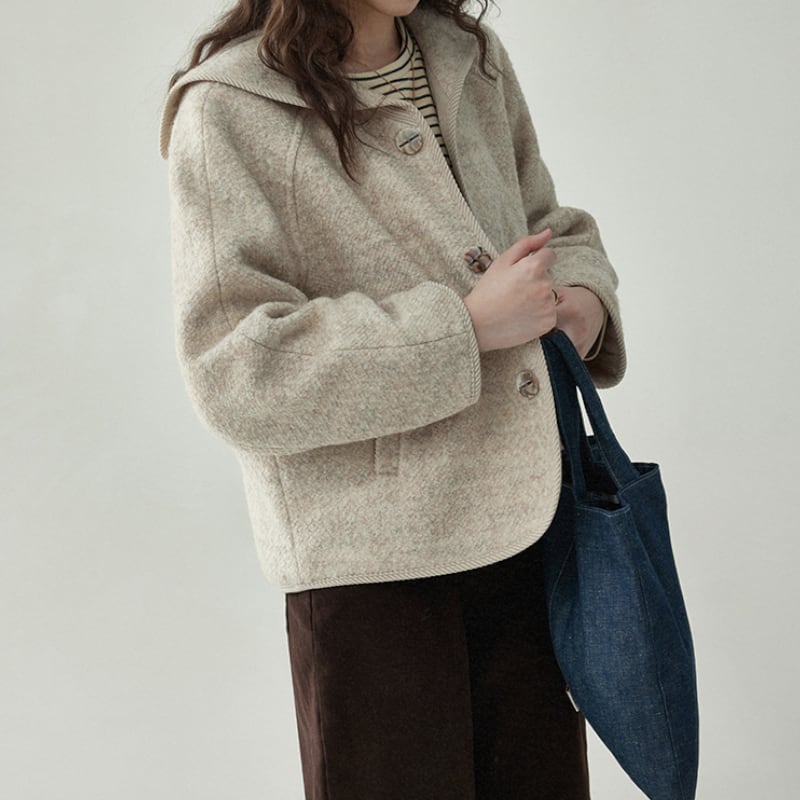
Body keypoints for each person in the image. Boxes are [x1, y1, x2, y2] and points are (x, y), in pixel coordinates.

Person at [161, 1, 626, 797]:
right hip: (371, 576)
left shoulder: (468, 57)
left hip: (528, 534)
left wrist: (581, 300)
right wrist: (463, 328)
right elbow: (235, 369)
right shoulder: (230, 107)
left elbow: (548, 224)